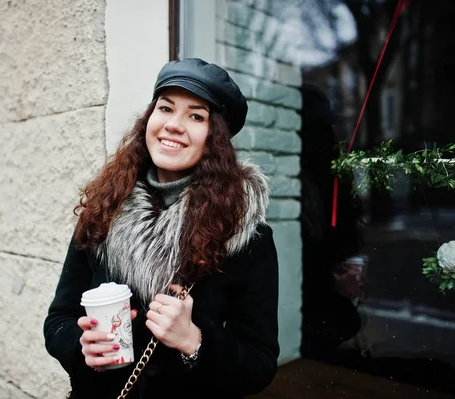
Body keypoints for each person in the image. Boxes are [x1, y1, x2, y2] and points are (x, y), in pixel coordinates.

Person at [43, 58, 280, 399]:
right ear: (149, 119)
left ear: (216, 139)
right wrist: (79, 345)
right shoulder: (102, 211)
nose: (173, 125)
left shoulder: (244, 235)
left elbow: (260, 364)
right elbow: (59, 319)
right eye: (165, 108)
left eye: (196, 116)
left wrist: (193, 340)